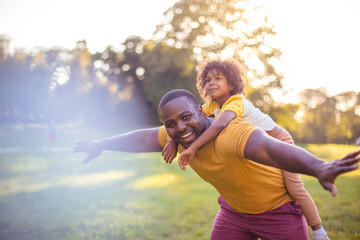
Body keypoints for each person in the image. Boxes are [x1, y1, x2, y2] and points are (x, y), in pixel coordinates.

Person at [73, 89, 359, 240]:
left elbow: (273, 150)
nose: (180, 128)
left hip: (279, 214)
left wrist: (318, 167)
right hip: (234, 214)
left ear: (201, 110)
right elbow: (143, 139)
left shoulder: (231, 133)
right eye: (170, 124)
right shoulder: (177, 136)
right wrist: (101, 144)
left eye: (186, 117)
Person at [161, 58, 328, 239]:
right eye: (208, 80)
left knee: (295, 189)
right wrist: (172, 141)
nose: (211, 83)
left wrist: (192, 148)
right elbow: (192, 120)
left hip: (280, 142)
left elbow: (221, 124)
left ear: (231, 83)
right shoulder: (212, 106)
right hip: (256, 150)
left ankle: (318, 230)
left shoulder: (236, 101)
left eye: (218, 78)